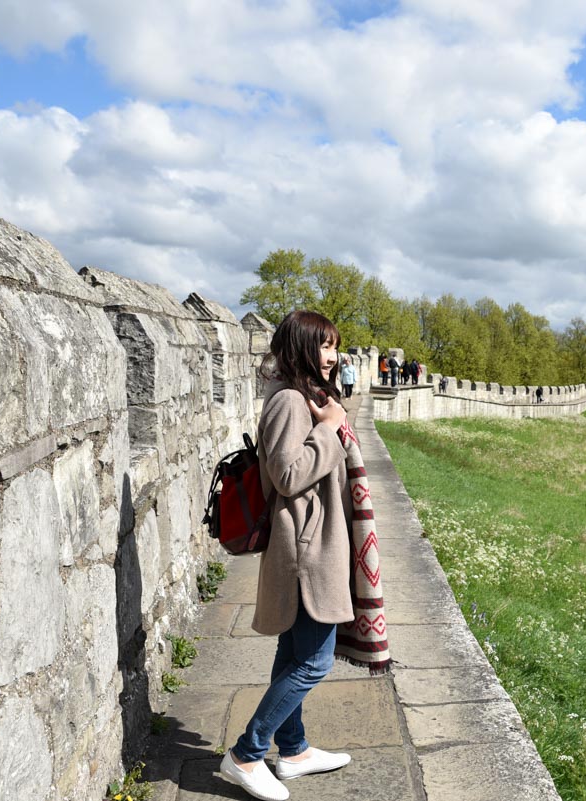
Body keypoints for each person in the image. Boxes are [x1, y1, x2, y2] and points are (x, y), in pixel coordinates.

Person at [220, 310, 389, 801]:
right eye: (324, 346)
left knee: (292, 652)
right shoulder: (290, 403)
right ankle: (247, 754)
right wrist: (333, 428)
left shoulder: (304, 398)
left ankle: (292, 750)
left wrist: (330, 419)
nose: (334, 357)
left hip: (312, 543)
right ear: (300, 349)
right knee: (314, 662)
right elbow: (288, 476)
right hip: (306, 550)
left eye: (336, 346)